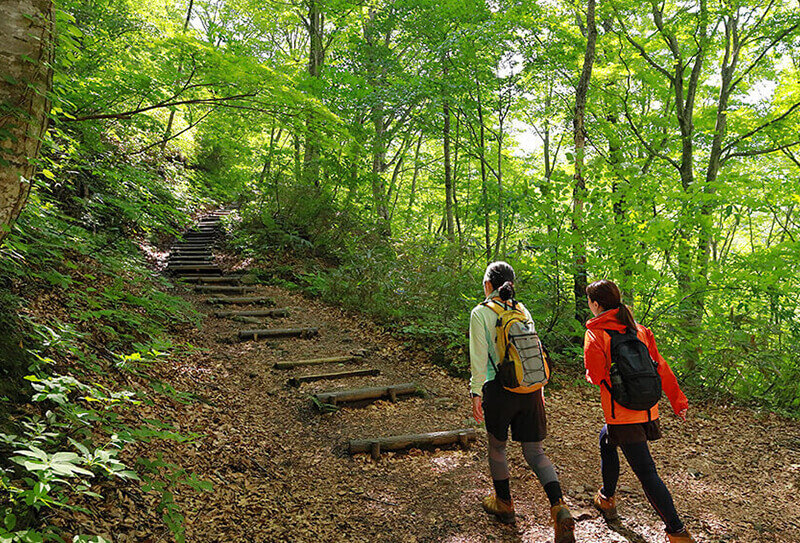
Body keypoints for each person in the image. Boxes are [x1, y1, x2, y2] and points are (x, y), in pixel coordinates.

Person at [470, 261, 575, 543]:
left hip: (498, 389)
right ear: (512, 285)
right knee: (536, 453)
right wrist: (539, 389)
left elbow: (479, 358)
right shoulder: (522, 309)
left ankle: (504, 504)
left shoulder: (481, 312)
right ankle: (559, 506)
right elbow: (533, 352)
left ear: (488, 286)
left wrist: (476, 393)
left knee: (497, 447)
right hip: (529, 388)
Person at [584, 279, 696, 543]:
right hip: (648, 409)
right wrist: (677, 400)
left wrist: (598, 376)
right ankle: (606, 498)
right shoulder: (640, 331)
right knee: (606, 440)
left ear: (596, 304)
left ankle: (677, 531)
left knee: (647, 473)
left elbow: (596, 374)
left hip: (622, 413)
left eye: (589, 302)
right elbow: (662, 367)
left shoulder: (596, 334)